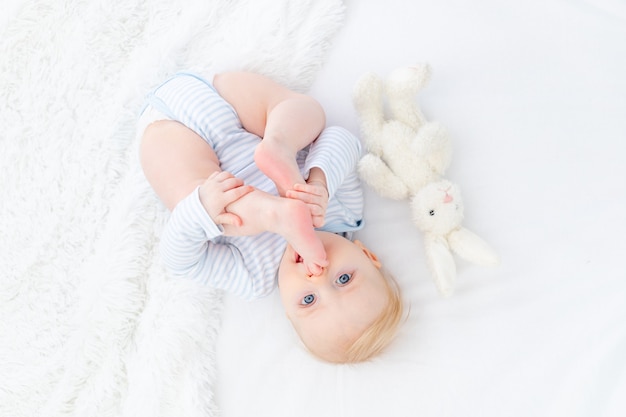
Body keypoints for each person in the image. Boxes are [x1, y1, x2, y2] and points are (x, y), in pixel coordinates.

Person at [138, 71, 403, 363]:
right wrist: (318, 183)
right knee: (310, 114)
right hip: (233, 105)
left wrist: (202, 207)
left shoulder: (254, 276)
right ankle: (279, 147)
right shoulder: (343, 213)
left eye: (309, 300)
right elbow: (342, 141)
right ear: (367, 255)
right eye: (343, 278)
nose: (317, 276)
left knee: (208, 208)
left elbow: (181, 261)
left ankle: (270, 213)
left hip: (174, 139)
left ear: (287, 312)